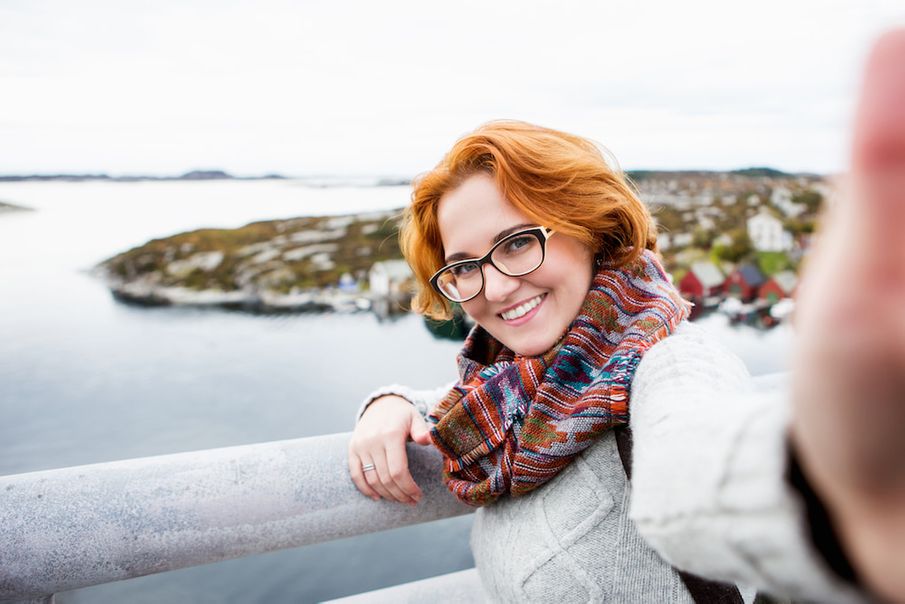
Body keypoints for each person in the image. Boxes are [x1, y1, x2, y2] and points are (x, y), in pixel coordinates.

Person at [348, 29, 904, 603]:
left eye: (517, 243)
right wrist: (394, 404)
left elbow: (691, 473)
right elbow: (485, 399)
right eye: (464, 267)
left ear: (592, 229)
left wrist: (842, 492)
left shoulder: (673, 364)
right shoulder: (519, 388)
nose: (496, 286)